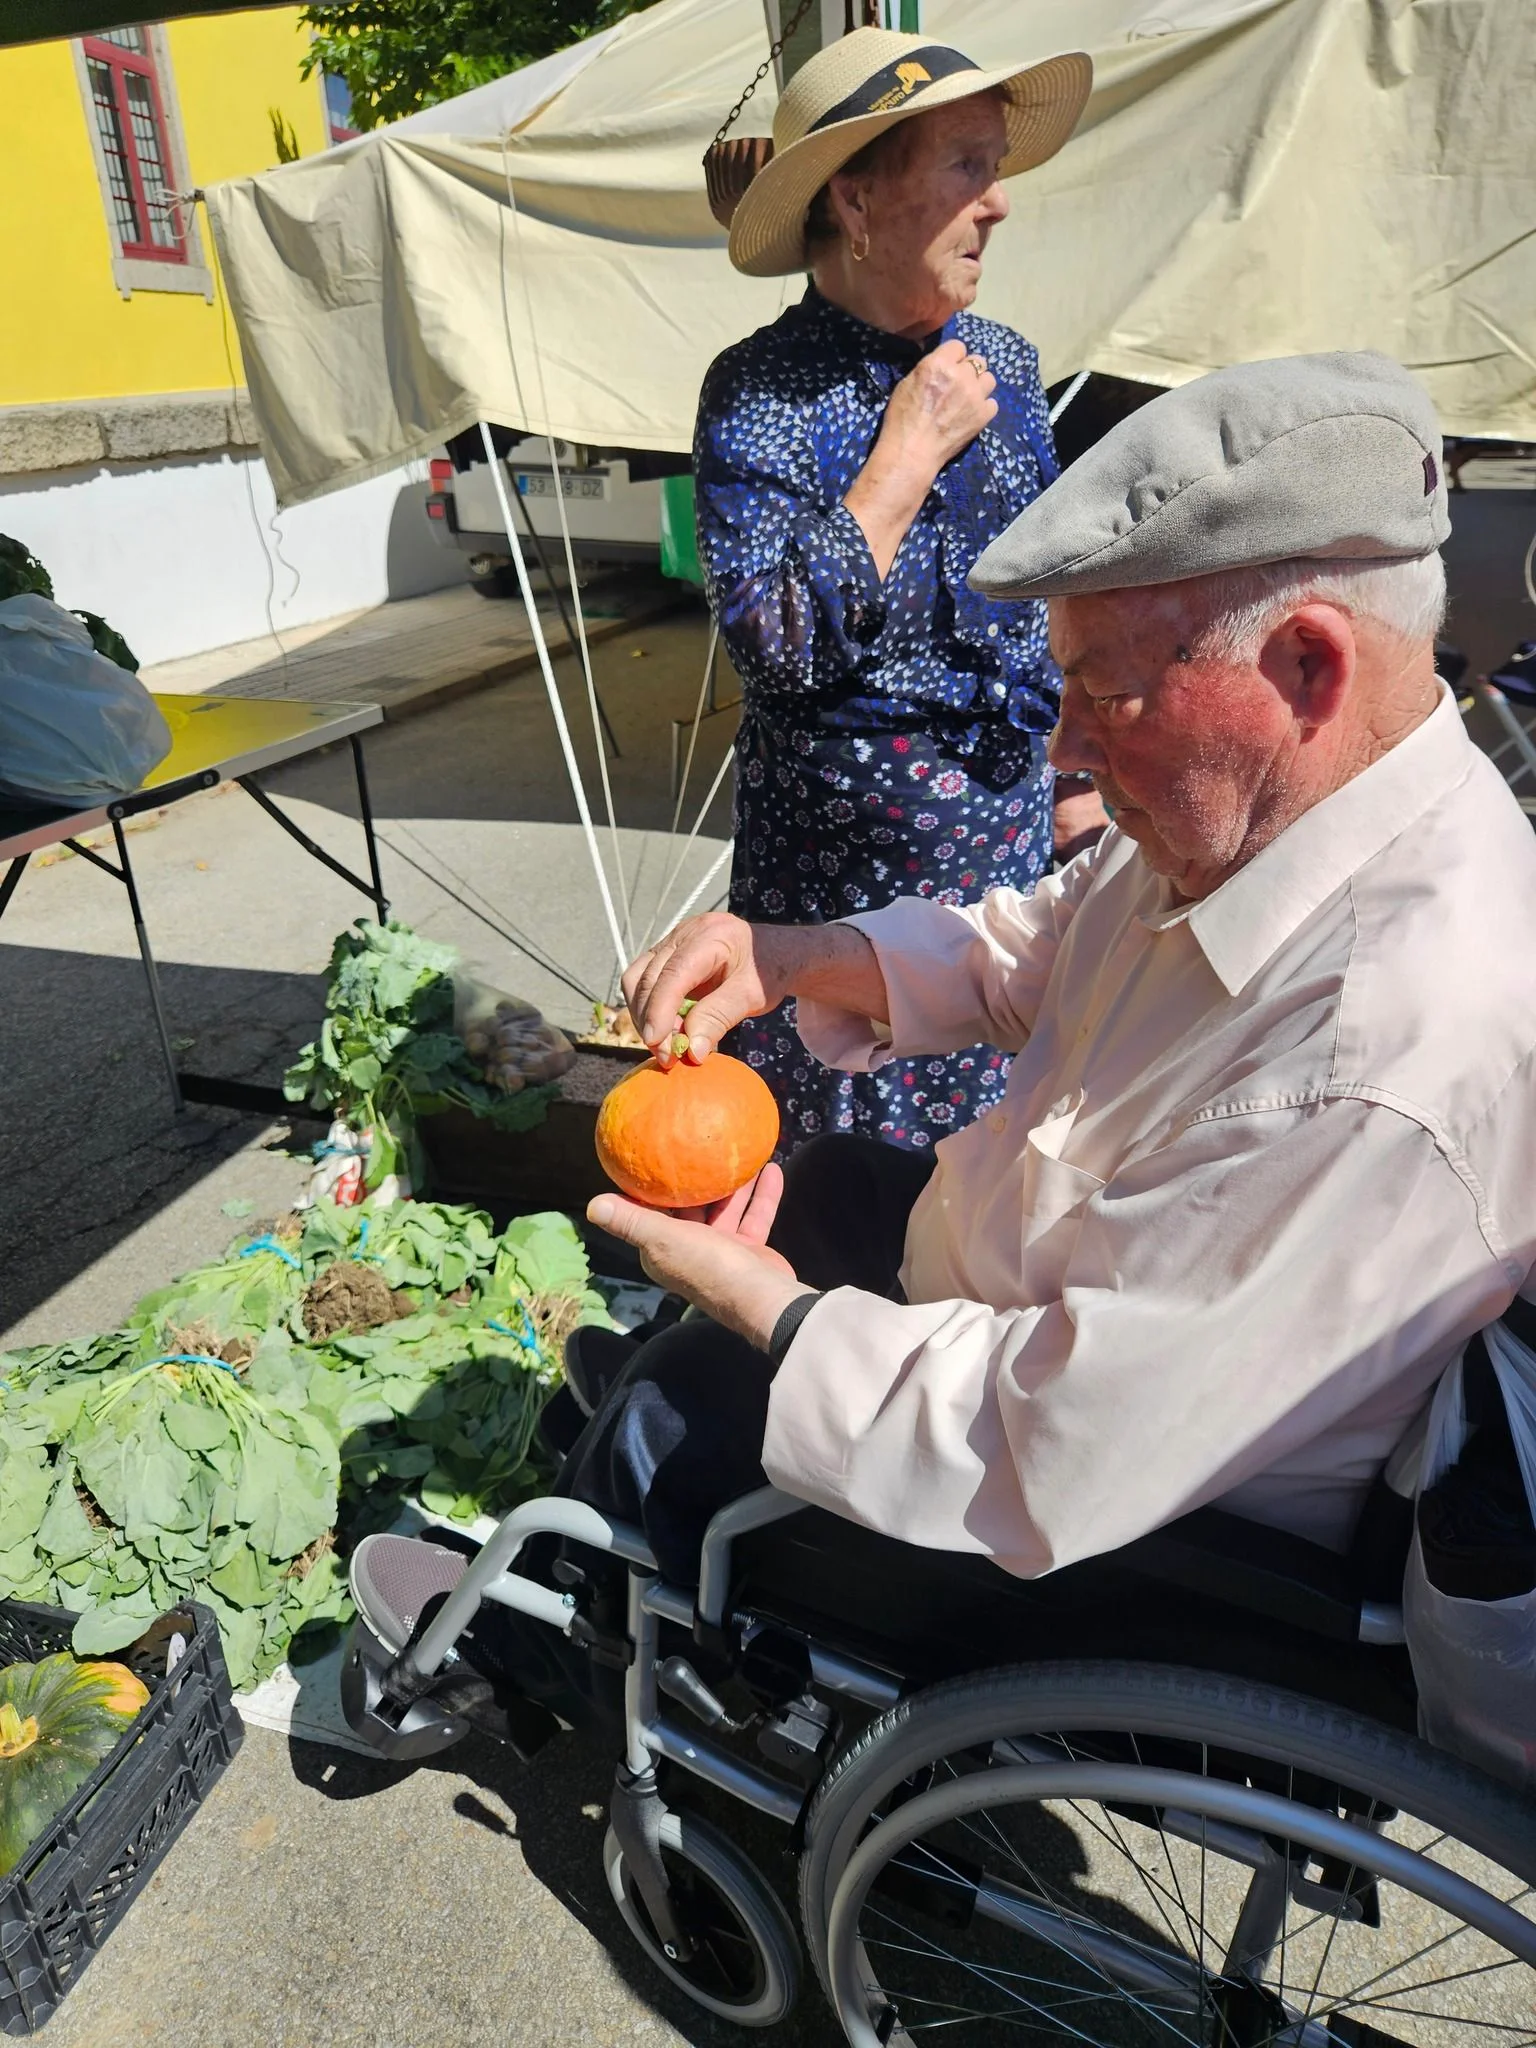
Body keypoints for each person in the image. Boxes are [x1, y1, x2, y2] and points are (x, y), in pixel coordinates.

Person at [357, 351, 1536, 1688]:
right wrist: (787, 954)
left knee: (686, 1407)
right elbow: (1025, 950)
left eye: (1102, 692)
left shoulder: (1394, 1041)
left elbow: (1059, 1442)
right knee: (839, 1180)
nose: (1062, 750)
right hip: (1060, 1338)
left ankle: (547, 1634)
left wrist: (784, 1324)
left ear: (1306, 668)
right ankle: (635, 1436)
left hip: (1135, 1550)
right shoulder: (1274, 811)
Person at [693, 27, 1107, 1154]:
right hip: (839, 884)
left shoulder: (1005, 362)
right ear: (859, 201)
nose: (1000, 202)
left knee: (993, 1168)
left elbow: (1044, 588)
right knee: (851, 1188)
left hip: (1003, 866)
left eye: (996, 165)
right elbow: (775, 648)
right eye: (968, 165)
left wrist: (1075, 780)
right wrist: (903, 457)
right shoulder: (762, 388)